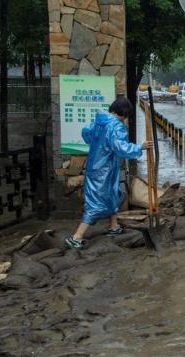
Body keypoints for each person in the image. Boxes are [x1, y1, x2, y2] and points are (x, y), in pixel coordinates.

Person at [65, 96, 153, 249]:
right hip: (104, 170)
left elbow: (86, 134)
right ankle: (77, 237)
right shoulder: (116, 126)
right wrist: (140, 147)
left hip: (96, 167)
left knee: (112, 194)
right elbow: (121, 148)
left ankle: (114, 226)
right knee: (96, 203)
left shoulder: (99, 121)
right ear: (124, 114)